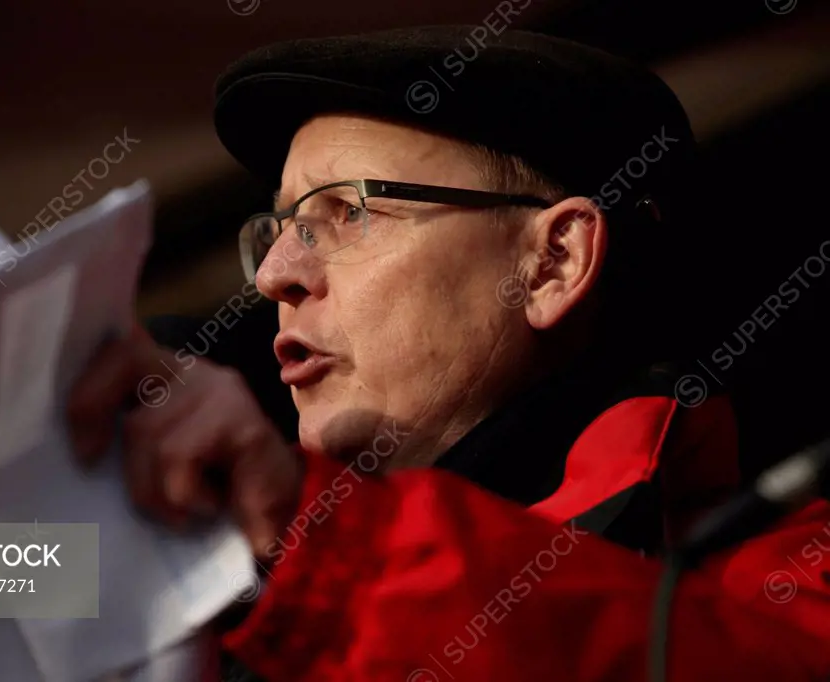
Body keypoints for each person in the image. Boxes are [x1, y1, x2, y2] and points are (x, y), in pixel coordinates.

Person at [66, 26, 830, 681]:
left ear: (553, 263)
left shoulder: (781, 579)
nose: (274, 276)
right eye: (276, 230)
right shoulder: (228, 552)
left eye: (347, 212)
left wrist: (304, 540)